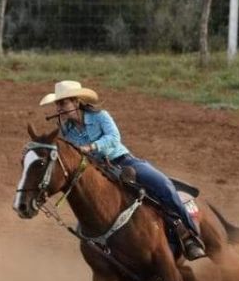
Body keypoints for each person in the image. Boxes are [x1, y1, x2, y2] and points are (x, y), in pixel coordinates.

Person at [39, 80, 206, 260]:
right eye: (57, 104)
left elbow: (114, 138)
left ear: (76, 102)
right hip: (97, 173)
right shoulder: (66, 131)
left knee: (163, 185)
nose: (59, 108)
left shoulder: (100, 116)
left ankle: (190, 237)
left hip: (124, 162)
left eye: (62, 103)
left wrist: (91, 147)